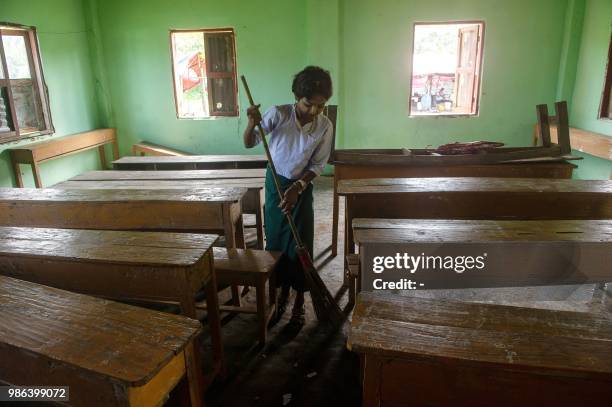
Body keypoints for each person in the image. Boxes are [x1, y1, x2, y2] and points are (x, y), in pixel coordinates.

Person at [243, 66, 334, 326]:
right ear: (297, 97)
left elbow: (317, 165)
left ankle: (299, 301)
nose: (314, 111)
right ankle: (281, 292)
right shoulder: (279, 114)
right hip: (275, 182)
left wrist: (298, 188)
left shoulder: (325, 126)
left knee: (300, 243)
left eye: (321, 105)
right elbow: (249, 142)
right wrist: (252, 122)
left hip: (301, 189)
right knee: (276, 241)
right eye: (309, 104)